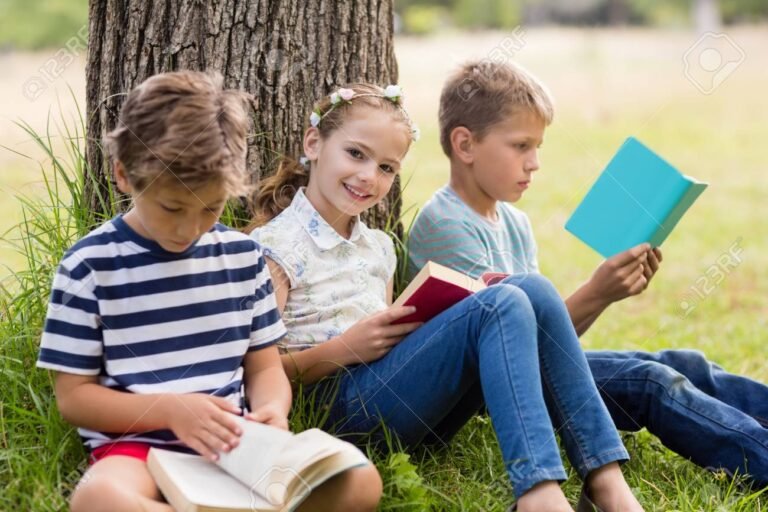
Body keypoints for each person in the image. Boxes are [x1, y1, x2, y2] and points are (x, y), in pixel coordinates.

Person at [248, 82, 645, 512]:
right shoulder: (275, 249)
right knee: (501, 302)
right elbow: (260, 374)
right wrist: (345, 349)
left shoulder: (379, 247)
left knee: (530, 288)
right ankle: (538, 494)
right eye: (356, 154)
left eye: (386, 168)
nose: (368, 176)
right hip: (338, 410)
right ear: (314, 143)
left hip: (408, 402)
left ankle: (606, 481)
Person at [406, 59, 768, 489]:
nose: (535, 162)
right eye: (521, 146)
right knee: (652, 383)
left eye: (538, 147)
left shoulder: (513, 222)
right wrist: (597, 292)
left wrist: (607, 293)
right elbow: (509, 355)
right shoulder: (445, 225)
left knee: (678, 363)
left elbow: (552, 340)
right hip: (492, 395)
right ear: (465, 145)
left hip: (537, 372)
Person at [36, 71, 382, 512]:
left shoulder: (243, 258)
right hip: (139, 450)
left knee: (359, 479)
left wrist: (273, 411)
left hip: (234, 444)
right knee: (98, 498)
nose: (188, 228)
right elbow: (75, 398)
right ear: (124, 175)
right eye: (171, 207)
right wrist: (170, 411)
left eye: (209, 208)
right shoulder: (89, 266)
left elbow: (264, 369)